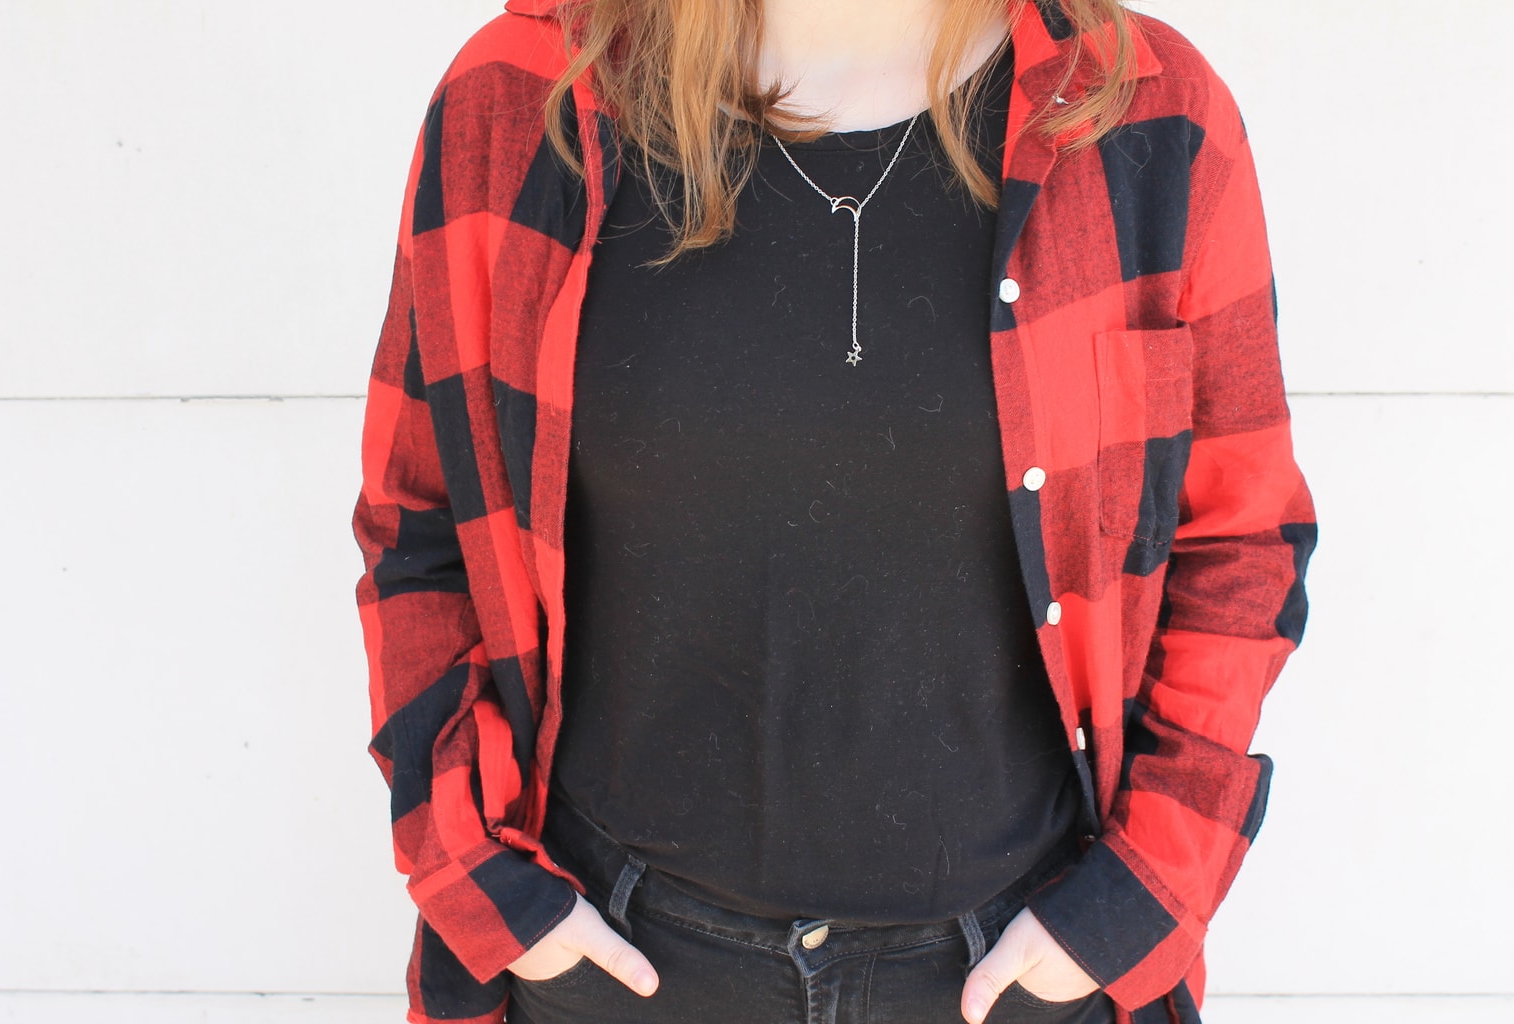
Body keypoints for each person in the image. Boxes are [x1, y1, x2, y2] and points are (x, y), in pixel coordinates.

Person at [352, 0, 1316, 1021]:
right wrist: (488, 884)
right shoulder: (519, 102)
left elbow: (1242, 546)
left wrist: (1140, 892)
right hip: (621, 966)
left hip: (1012, 974)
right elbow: (422, 526)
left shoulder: (1148, 115)